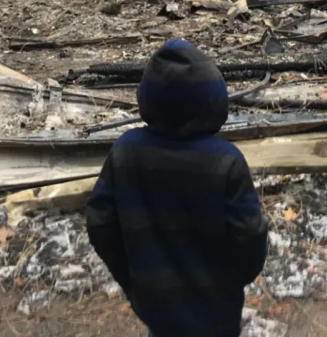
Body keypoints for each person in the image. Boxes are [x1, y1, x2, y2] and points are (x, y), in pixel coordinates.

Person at [86, 39, 269, 337]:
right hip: (218, 308)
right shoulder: (226, 161)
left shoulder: (126, 151)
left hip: (155, 304)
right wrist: (235, 279)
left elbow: (100, 222)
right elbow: (248, 235)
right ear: (214, 100)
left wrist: (132, 278)